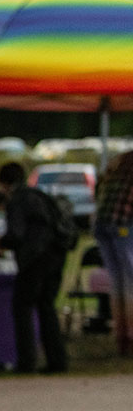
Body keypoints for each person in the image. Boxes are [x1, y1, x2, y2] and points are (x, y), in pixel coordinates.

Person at [0, 161, 68, 373]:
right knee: (47, 307)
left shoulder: (17, 201)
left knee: (22, 306)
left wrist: (0, 243)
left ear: (3, 183)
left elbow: (16, 234)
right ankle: (57, 360)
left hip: (35, 258)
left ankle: (26, 362)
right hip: (56, 254)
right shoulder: (40, 195)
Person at [93, 150, 133, 357]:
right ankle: (129, 337)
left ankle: (121, 337)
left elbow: (99, 186)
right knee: (129, 284)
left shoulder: (120, 160)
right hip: (122, 225)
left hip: (102, 223)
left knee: (118, 283)